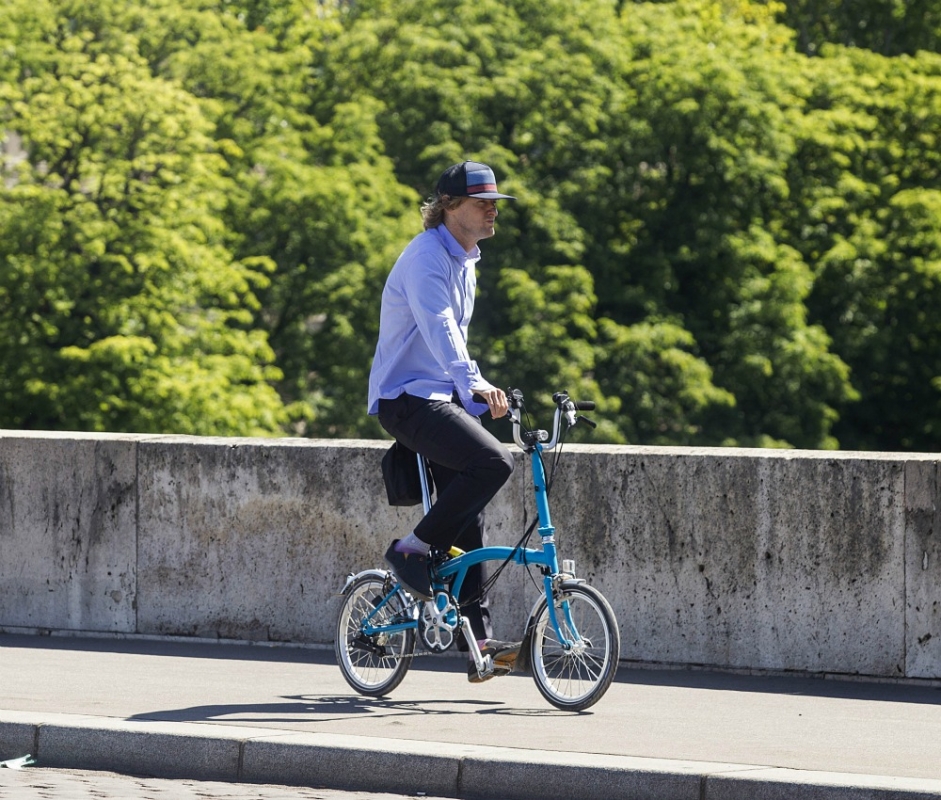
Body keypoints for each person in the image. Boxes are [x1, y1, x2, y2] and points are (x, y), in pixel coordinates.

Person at [367, 160, 519, 682]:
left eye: (496, 202)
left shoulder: (468, 257)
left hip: (440, 396)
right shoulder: (427, 258)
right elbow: (440, 329)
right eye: (483, 203)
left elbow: (455, 341)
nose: (493, 210)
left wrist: (478, 395)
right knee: (492, 463)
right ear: (450, 207)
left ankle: (478, 642)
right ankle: (412, 549)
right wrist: (474, 383)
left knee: (470, 516)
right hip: (406, 398)